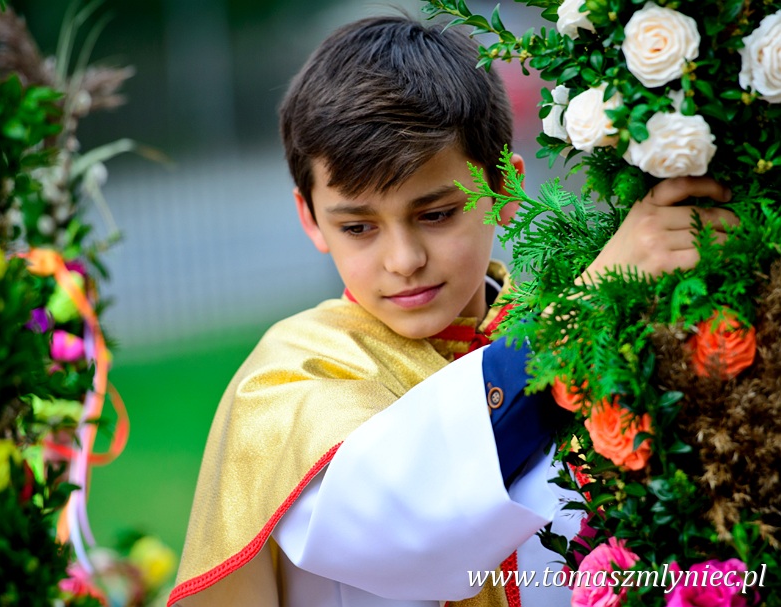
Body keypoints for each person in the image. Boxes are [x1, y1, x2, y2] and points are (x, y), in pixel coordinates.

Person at [167, 14, 736, 607]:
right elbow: (402, 523)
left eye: (436, 214)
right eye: (358, 227)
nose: (404, 260)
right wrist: (577, 314)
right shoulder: (286, 381)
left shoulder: (594, 330)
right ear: (310, 218)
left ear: (506, 189)